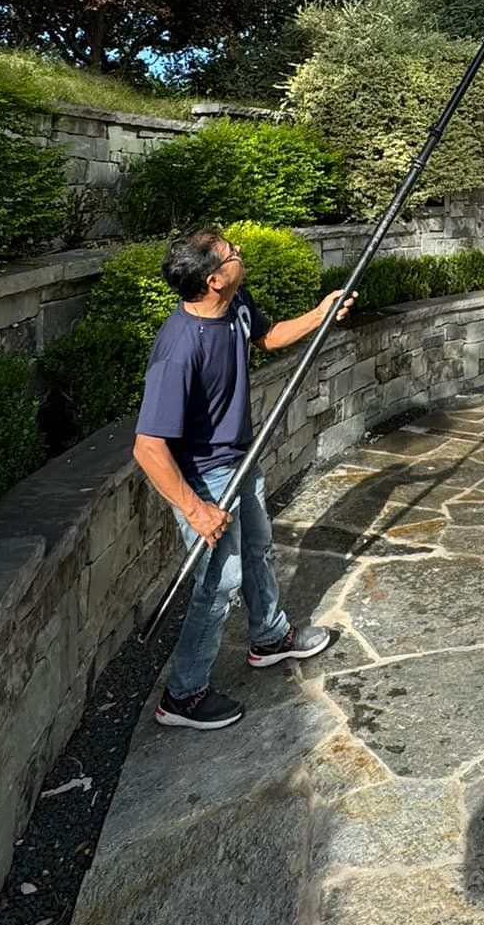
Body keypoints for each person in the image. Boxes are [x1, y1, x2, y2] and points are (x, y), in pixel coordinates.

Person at [134, 226, 354, 731]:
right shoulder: (178, 350)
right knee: (219, 583)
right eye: (232, 254)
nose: (240, 254)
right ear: (214, 279)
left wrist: (322, 313)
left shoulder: (234, 305)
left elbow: (268, 335)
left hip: (241, 457)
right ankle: (182, 696)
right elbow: (148, 448)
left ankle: (269, 638)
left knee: (258, 547)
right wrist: (195, 508)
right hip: (202, 475)